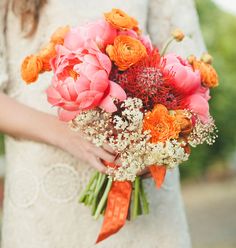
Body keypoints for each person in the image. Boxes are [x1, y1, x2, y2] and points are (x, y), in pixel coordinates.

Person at [0, 0, 206, 247]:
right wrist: (68, 135)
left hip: (143, 195)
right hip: (46, 197)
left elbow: (190, 74)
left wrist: (151, 150)